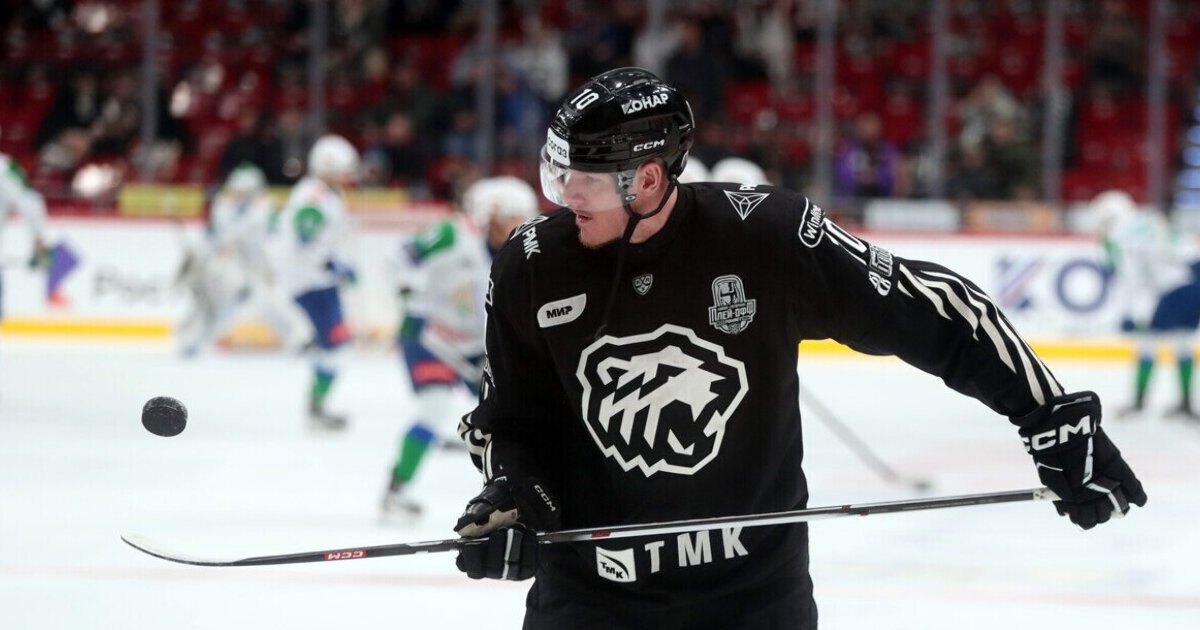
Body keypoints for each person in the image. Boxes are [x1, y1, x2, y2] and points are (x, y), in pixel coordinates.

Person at [450, 67, 1147, 629]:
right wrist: (513, 494)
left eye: (583, 179)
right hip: (590, 604)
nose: (564, 195)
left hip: (753, 605)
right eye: (558, 172)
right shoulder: (531, 266)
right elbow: (508, 421)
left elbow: (937, 311)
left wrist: (1049, 417)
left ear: (650, 178)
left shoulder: (765, 236)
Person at [381, 176, 540, 520]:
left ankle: (521, 494)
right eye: (513, 217)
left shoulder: (523, 251)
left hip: (476, 347)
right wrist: (409, 299)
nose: (521, 226)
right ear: (491, 216)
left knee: (511, 416)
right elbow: (399, 257)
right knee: (435, 407)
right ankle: (396, 490)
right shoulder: (453, 234)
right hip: (431, 340)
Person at [274, 135, 360, 430]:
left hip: (317, 281)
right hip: (311, 283)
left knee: (337, 348)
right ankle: (315, 409)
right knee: (337, 348)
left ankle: (317, 406)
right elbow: (304, 242)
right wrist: (333, 264)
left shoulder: (323, 193)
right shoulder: (315, 198)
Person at [1093, 189, 1200, 419]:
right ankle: (1186, 404)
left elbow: (1131, 278)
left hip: (1169, 291)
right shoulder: (1150, 218)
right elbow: (1187, 249)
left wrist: (1130, 314)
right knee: (1183, 344)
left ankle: (1139, 402)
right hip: (1191, 283)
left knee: (1147, 344)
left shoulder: (1119, 236)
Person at [177, 163, 302, 355]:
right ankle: (194, 340)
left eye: (247, 191)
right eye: (238, 191)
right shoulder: (222, 206)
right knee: (215, 302)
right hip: (230, 265)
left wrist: (274, 266)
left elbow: (278, 239)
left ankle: (296, 339)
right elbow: (212, 237)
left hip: (259, 265)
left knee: (268, 302)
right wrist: (199, 252)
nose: (242, 196)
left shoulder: (268, 208)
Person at [0, 150, 48, 320]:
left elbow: (30, 203)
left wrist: (38, 239)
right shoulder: (4, 168)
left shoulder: (5, 168)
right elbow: (30, 203)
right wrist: (38, 239)